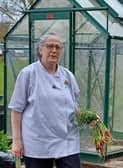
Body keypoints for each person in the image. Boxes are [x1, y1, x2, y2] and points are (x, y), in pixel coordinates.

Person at [8, 33, 81, 168]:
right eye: (50, 46)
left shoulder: (68, 76)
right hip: (38, 142)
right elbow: (16, 109)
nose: (54, 50)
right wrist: (16, 140)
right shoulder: (28, 74)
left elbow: (74, 105)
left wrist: (87, 118)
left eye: (58, 47)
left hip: (67, 141)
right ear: (40, 49)